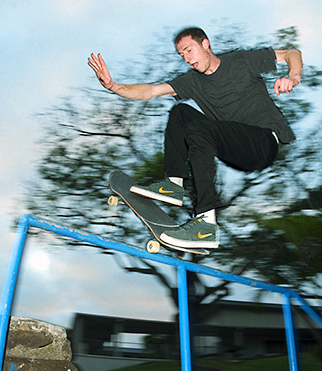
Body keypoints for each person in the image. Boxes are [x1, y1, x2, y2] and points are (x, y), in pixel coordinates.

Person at [88, 27, 302, 249]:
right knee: (181, 113)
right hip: (232, 148)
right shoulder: (192, 81)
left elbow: (291, 53)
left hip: (263, 143)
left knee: (199, 130)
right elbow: (150, 91)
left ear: (205, 44)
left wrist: (292, 77)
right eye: (182, 55)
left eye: (189, 50)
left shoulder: (242, 60)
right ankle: (174, 183)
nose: (187, 58)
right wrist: (114, 86)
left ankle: (206, 224)